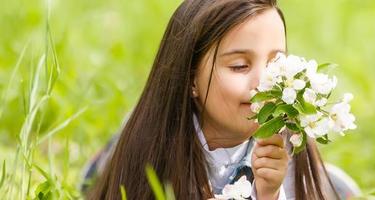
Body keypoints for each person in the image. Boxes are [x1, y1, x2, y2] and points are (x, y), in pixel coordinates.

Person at [84, 0, 360, 199]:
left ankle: (334, 182)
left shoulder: (284, 142)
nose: (263, 82)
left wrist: (269, 194)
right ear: (191, 78)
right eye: (240, 66)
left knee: (330, 189)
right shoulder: (151, 144)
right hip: (129, 145)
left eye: (277, 64)